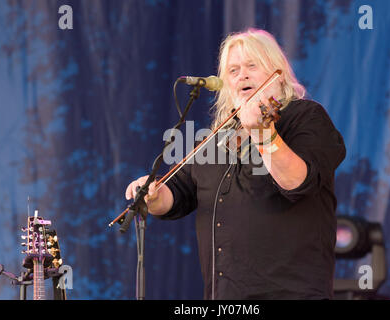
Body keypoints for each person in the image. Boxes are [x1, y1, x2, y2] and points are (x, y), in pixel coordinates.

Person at [125, 28, 346, 299]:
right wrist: (152, 195)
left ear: (276, 71)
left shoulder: (307, 117)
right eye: (233, 70)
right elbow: (178, 194)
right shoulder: (218, 136)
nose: (242, 75)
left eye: (252, 65)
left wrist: (264, 133)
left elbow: (298, 181)